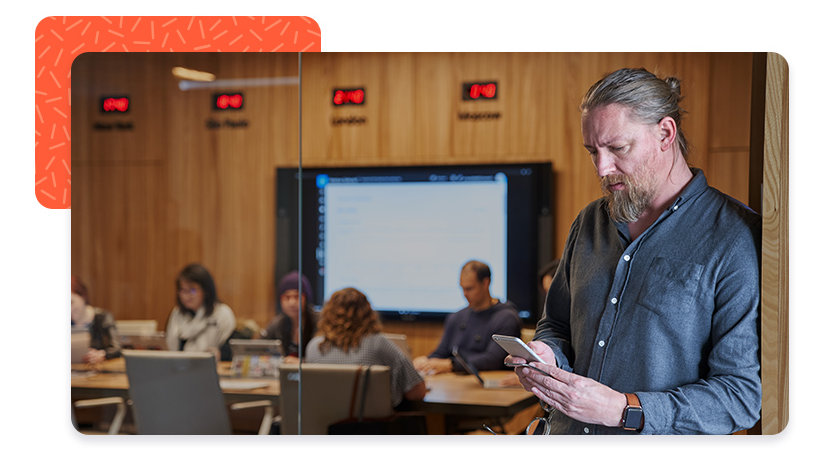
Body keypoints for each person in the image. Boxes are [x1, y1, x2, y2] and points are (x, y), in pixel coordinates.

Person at [510, 68, 761, 435]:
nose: (602, 168)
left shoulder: (735, 236)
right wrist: (547, 353)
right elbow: (557, 324)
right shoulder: (588, 223)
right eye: (592, 151)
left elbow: (741, 396)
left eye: (617, 148)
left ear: (665, 133)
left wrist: (623, 410)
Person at [306, 287, 426, 408]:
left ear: (327, 313)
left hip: (325, 423)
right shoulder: (377, 343)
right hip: (371, 424)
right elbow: (417, 392)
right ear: (368, 313)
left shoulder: (314, 347)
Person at [413, 260, 521, 375]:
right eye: (462, 288)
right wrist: (427, 361)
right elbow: (441, 352)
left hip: (489, 384)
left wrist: (452, 365)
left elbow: (493, 360)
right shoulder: (456, 317)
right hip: (456, 382)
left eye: (469, 289)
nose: (464, 294)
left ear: (485, 283)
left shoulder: (507, 317)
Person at [165, 263, 236, 355]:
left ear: (206, 290)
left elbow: (230, 352)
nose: (186, 296)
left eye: (192, 290)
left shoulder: (222, 313)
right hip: (180, 367)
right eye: (183, 290)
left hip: (213, 367)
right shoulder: (177, 314)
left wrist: (218, 354)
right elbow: (169, 349)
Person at [262, 271, 317, 362]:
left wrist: (302, 362)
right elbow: (259, 347)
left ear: (306, 298)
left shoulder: (319, 321)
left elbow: (325, 358)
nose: (292, 303)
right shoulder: (278, 322)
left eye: (297, 297)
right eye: (287, 297)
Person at [71, 275, 121, 363]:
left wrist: (103, 354)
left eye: (71, 302)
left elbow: (116, 349)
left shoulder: (102, 317)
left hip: (99, 371)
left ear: (83, 297)